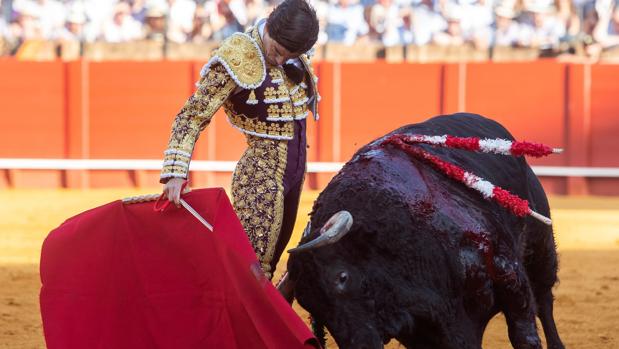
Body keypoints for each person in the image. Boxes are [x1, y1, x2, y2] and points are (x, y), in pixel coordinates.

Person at [161, 0, 320, 280]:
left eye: (289, 56)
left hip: (295, 176)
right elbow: (192, 115)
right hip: (261, 177)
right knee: (251, 270)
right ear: (269, 27)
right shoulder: (237, 55)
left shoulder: (294, 51)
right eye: (278, 52)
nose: (281, 60)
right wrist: (175, 171)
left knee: (270, 266)